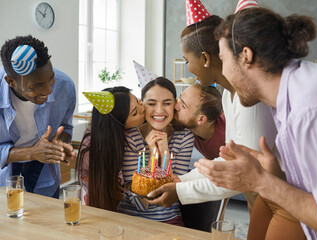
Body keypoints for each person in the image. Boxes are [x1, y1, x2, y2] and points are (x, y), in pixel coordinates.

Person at [195, 7, 317, 239]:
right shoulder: (289, 96)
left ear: (246, 55)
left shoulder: (310, 108)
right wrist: (272, 175)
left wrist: (261, 181)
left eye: (223, 59)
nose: (223, 72)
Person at [148, 10, 276, 214]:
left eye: (187, 60)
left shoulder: (250, 100)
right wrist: (181, 180)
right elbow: (229, 160)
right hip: (260, 199)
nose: (188, 67)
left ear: (205, 59)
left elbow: (242, 172)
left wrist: (180, 191)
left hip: (278, 196)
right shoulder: (228, 95)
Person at [0, 35, 76, 198]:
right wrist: (32, 152)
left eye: (51, 78)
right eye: (37, 85)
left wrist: (58, 144)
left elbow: (66, 127)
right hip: (4, 175)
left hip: (45, 173)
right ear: (10, 82)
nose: (49, 90)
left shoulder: (65, 86)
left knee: (46, 221)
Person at [117, 77, 195, 226]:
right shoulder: (130, 137)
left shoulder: (184, 137)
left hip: (168, 220)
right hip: (129, 219)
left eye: (167, 103)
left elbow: (172, 195)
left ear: (175, 105)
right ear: (142, 105)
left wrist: (164, 150)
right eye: (151, 104)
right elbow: (141, 203)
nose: (159, 111)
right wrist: (154, 154)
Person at [76, 87, 145, 211]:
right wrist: (107, 185)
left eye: (139, 101)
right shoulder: (92, 145)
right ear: (119, 124)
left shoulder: (133, 132)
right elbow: (84, 175)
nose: (143, 109)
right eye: (134, 113)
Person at [173, 83, 225, 160]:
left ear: (200, 119)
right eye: (180, 99)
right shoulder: (189, 126)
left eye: (183, 106)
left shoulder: (226, 137)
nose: (176, 106)